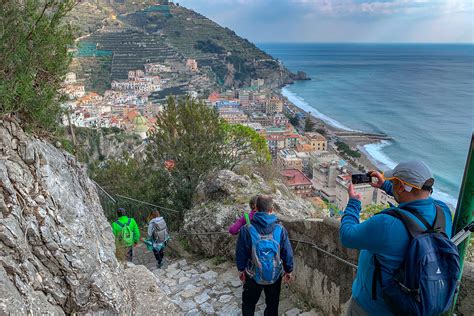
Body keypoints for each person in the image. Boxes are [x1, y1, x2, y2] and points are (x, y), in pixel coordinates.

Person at [340, 160, 453, 315]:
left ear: (400, 186)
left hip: (373, 308)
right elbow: (416, 200)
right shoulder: (443, 212)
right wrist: (386, 186)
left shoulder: (386, 224)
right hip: (417, 301)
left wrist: (353, 203)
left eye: (393, 183)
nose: (391, 185)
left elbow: (347, 236)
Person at [235, 195, 294, 316]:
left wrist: (241, 270)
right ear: (271, 209)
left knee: (248, 305)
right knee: (272, 306)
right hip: (274, 276)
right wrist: (289, 270)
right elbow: (287, 253)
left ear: (255, 208)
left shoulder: (246, 229)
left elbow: (241, 253)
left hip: (252, 275)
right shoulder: (280, 229)